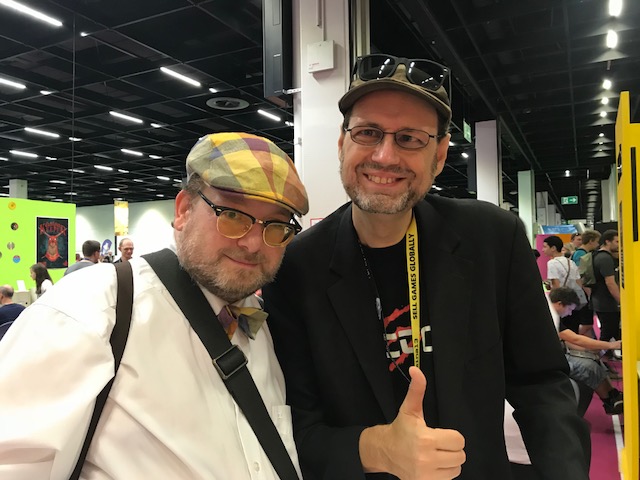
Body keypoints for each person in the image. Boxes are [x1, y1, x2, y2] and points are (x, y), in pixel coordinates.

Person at [263, 53, 590, 479]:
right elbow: (296, 428)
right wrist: (377, 449)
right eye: (368, 133)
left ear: (439, 155)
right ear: (342, 144)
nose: (385, 156)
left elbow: (541, 384)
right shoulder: (296, 267)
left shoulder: (491, 238)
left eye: (410, 139)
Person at [0, 132, 308, 479]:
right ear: (184, 210)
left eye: (276, 226)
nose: (253, 244)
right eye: (233, 215)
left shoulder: (265, 329)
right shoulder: (93, 309)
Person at [550, 287, 623, 415]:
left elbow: (568, 341)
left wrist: (590, 350)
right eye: (569, 309)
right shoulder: (550, 317)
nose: (570, 313)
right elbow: (575, 339)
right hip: (551, 359)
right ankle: (609, 401)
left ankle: (613, 395)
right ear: (560, 304)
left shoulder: (552, 315)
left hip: (558, 354)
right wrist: (611, 345)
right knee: (589, 367)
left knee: (593, 360)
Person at [591, 229, 621, 351]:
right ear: (608, 242)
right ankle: (600, 356)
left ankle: (605, 355)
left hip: (602, 301)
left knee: (610, 331)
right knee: (608, 332)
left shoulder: (599, 255)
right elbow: (610, 283)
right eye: (617, 241)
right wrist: (620, 301)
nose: (619, 245)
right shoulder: (605, 259)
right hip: (607, 303)